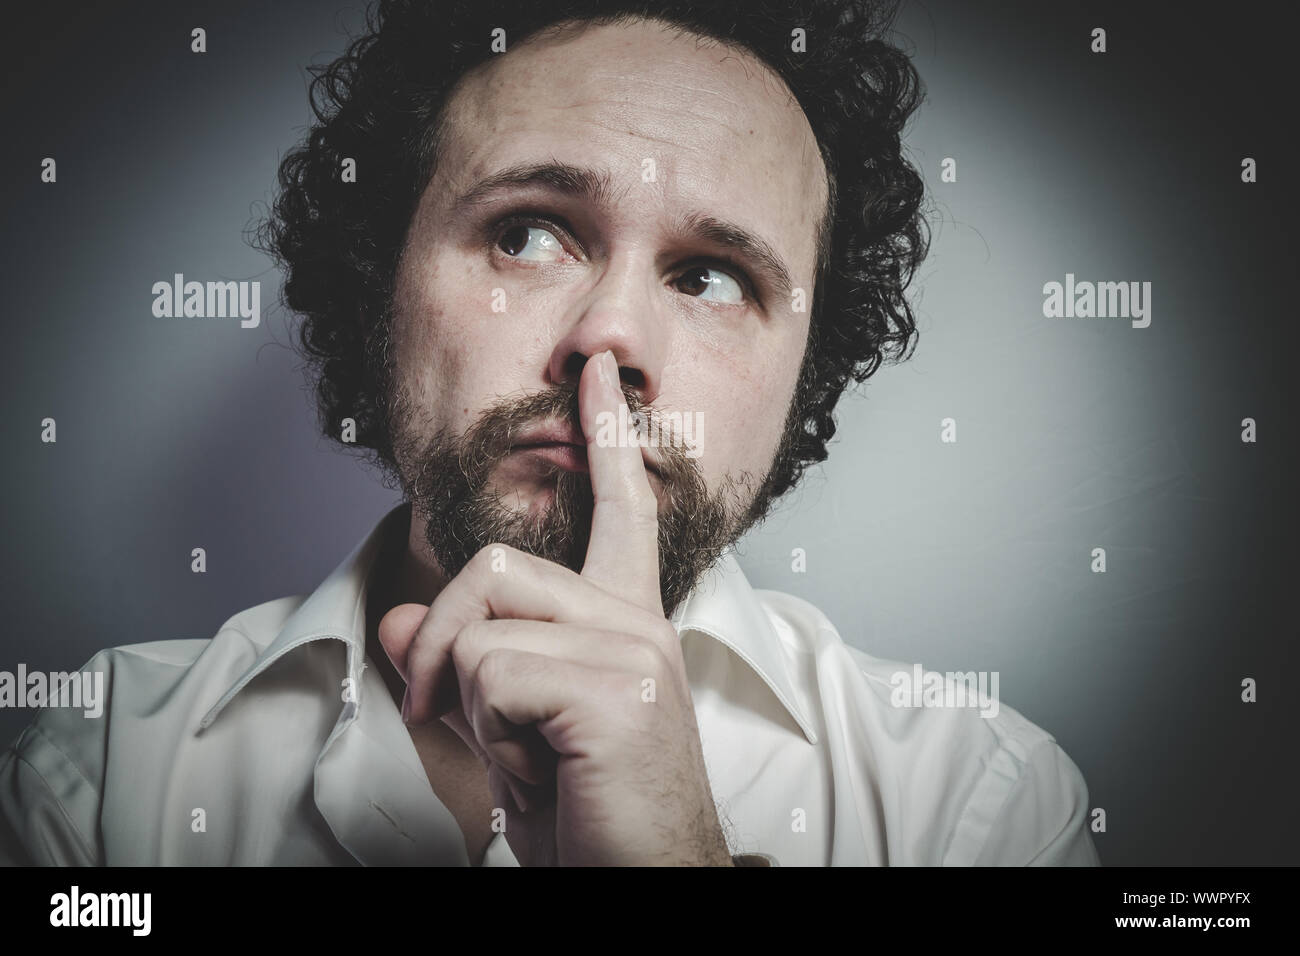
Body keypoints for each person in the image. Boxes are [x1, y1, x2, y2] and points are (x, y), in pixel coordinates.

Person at [0, 0, 1099, 866]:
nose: (608, 339)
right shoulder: (101, 772)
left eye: (711, 275)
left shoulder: (978, 807)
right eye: (528, 234)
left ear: (801, 370)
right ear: (383, 284)